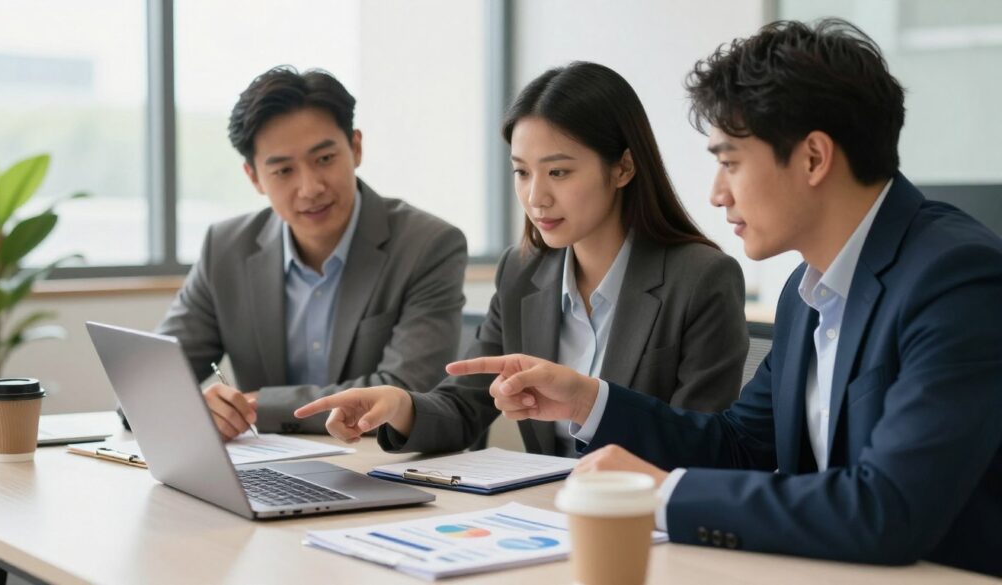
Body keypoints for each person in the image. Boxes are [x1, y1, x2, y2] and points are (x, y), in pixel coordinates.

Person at [445, 19, 1002, 575]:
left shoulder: (955, 279)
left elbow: (889, 509)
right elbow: (741, 447)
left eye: (729, 161)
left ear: (813, 158)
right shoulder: (806, 292)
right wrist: (589, 401)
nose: (716, 193)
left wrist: (666, 495)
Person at [294, 62, 749, 457]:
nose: (536, 197)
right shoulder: (522, 272)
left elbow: (704, 446)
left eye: (558, 172)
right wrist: (401, 407)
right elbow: (464, 406)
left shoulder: (701, 279)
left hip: (639, 522)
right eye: (521, 172)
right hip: (542, 519)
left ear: (623, 168)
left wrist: (590, 404)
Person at [152, 66, 468, 440]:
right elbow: (149, 383)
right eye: (284, 170)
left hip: (380, 469)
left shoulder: (428, 246)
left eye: (324, 159)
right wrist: (198, 407)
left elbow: (402, 388)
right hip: (267, 472)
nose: (310, 188)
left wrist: (254, 407)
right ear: (254, 178)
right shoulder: (225, 248)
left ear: (356, 148)